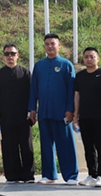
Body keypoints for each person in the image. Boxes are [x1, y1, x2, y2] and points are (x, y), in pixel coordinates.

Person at [28, 33, 78, 185]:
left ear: (59, 45)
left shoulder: (66, 64)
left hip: (61, 112)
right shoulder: (39, 65)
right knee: (46, 145)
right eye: (47, 44)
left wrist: (70, 110)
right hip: (44, 112)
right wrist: (32, 109)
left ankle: (71, 175)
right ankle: (49, 175)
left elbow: (71, 90)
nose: (50, 46)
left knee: (66, 144)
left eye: (53, 43)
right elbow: (33, 89)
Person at [0, 43, 34, 183]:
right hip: (6, 116)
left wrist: (32, 111)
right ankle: (12, 175)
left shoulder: (25, 73)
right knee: (9, 146)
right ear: (3, 56)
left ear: (18, 55)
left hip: (24, 116)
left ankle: (28, 175)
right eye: (7, 54)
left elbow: (32, 94)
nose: (10, 56)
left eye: (13, 54)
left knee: (26, 145)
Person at [73, 47, 101, 188]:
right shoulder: (80, 76)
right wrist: (75, 117)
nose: (89, 59)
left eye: (92, 56)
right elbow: (77, 96)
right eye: (86, 57)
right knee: (88, 148)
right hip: (84, 117)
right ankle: (92, 174)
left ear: (98, 58)